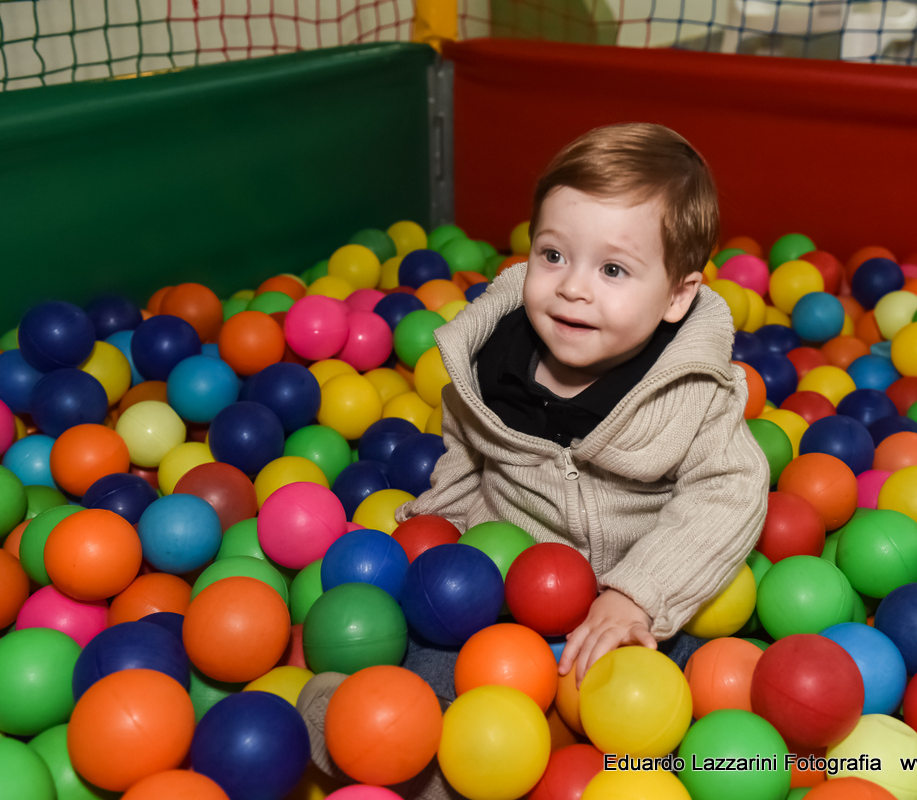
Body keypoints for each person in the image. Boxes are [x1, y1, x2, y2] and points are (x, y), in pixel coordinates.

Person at [299, 122, 769, 797]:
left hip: (634, 603)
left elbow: (731, 491)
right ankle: (395, 742)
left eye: (612, 270)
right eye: (553, 255)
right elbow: (466, 451)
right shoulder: (492, 361)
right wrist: (441, 532)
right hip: (506, 590)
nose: (573, 287)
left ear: (676, 295)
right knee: (435, 648)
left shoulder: (690, 393)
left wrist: (637, 595)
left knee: (694, 687)